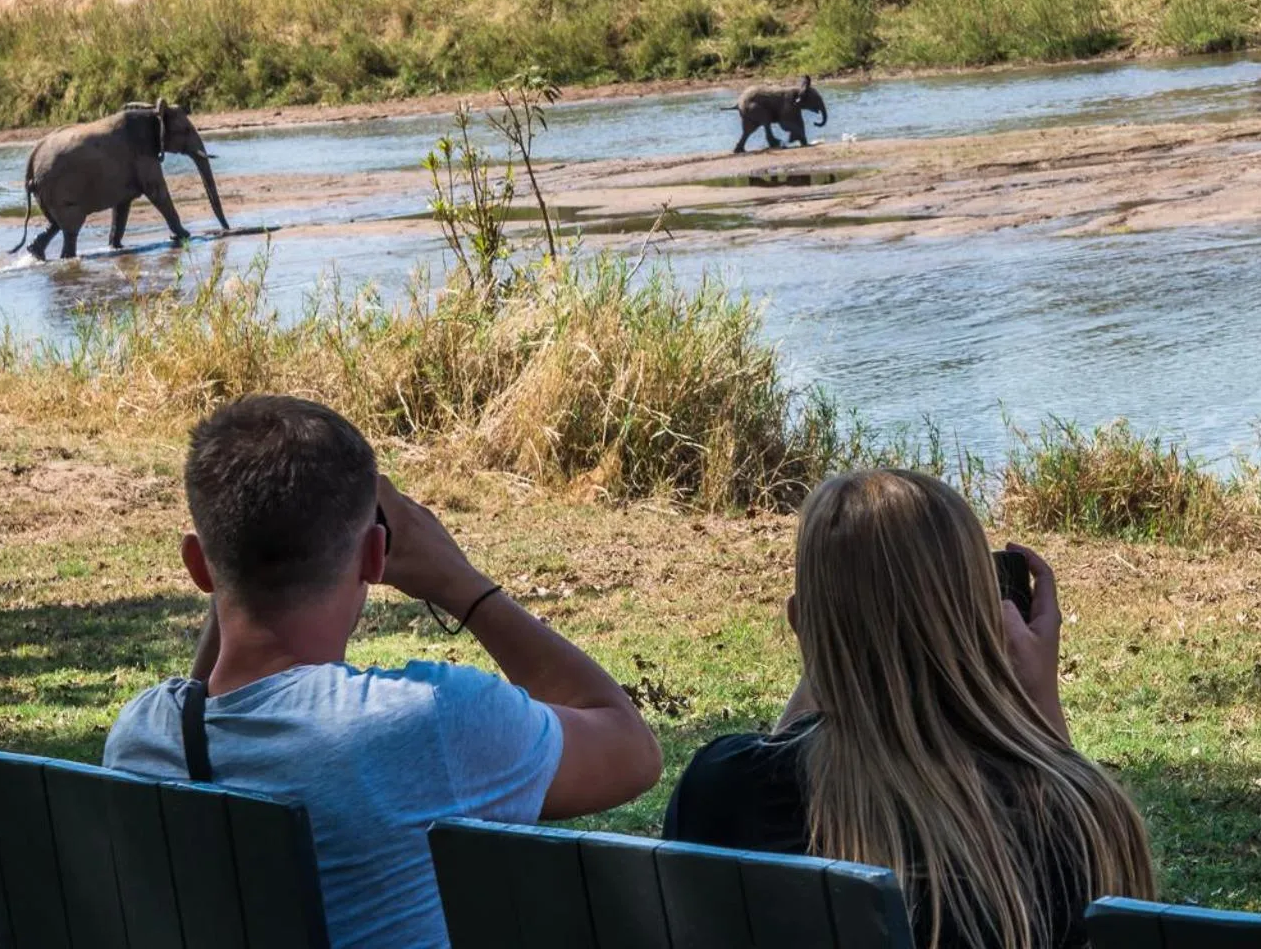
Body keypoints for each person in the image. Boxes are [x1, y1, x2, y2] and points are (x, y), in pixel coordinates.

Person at [104, 395, 661, 949]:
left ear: (198, 565)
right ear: (377, 554)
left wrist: (239, 563)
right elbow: (630, 751)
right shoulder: (425, 722)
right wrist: (457, 581)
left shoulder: (141, 741)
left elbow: (207, 693)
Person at [663, 468, 1154, 949]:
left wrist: (836, 642)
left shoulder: (723, 785)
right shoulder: (1080, 816)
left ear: (800, 623)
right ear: (986, 622)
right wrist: (1038, 699)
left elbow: (784, 758)